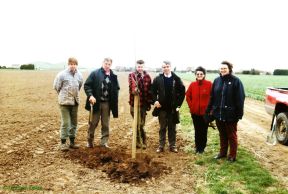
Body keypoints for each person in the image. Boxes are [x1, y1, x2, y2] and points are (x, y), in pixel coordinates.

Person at [206, 61, 245, 162]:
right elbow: (212, 97)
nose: (223, 70)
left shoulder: (236, 81)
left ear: (229, 69)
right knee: (222, 134)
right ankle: (222, 153)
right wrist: (209, 110)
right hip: (218, 113)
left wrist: (239, 114)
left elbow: (240, 99)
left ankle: (232, 155)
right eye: (221, 68)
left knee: (231, 135)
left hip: (231, 114)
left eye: (225, 68)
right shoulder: (217, 81)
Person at [84, 58, 120, 148]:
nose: (107, 65)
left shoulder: (113, 76)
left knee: (105, 124)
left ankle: (104, 143)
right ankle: (89, 141)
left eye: (109, 64)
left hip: (107, 104)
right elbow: (87, 85)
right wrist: (90, 95)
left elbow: (117, 88)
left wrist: (114, 98)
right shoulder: (95, 73)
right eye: (106, 63)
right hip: (96, 102)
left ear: (111, 65)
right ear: (102, 63)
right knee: (93, 123)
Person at [151, 61, 185, 153]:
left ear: (171, 67)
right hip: (161, 108)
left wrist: (178, 105)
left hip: (173, 108)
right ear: (162, 68)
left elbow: (182, 92)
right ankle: (161, 145)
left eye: (167, 66)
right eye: (164, 67)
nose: (166, 68)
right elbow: (152, 91)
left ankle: (172, 145)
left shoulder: (176, 79)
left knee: (172, 128)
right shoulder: (157, 79)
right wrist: (155, 101)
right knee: (162, 127)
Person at [53, 57, 83, 151]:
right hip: (64, 103)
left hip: (75, 102)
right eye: (71, 64)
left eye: (74, 64)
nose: (72, 66)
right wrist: (63, 95)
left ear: (76, 65)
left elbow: (79, 86)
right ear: (68, 64)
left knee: (74, 123)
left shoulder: (79, 75)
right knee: (66, 123)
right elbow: (56, 87)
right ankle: (63, 143)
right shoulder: (62, 75)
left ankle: (72, 142)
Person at [186, 66, 212, 154]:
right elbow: (188, 96)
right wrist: (191, 106)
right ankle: (197, 147)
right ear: (195, 75)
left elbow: (212, 97)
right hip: (195, 112)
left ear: (204, 75)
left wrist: (210, 109)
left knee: (204, 130)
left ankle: (202, 148)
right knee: (197, 130)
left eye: (201, 74)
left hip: (205, 113)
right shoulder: (192, 85)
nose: (199, 75)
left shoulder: (209, 84)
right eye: (197, 74)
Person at [128, 60, 153, 149]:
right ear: (136, 66)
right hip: (134, 104)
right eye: (138, 66)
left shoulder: (147, 77)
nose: (140, 68)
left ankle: (143, 139)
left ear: (144, 67)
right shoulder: (132, 75)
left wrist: (150, 102)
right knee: (137, 123)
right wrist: (135, 90)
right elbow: (132, 85)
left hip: (143, 105)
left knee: (141, 124)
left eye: (141, 66)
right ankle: (138, 141)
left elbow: (150, 90)